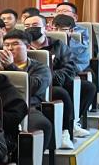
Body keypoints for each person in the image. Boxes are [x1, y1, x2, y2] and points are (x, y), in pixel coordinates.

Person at [23, 12, 92, 141]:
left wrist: (51, 78)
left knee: (67, 90)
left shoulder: (58, 45)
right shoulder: (22, 46)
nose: (31, 28)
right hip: (31, 84)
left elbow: (69, 67)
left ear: (46, 28)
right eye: (27, 26)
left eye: (35, 25)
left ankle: (67, 128)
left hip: (55, 82)